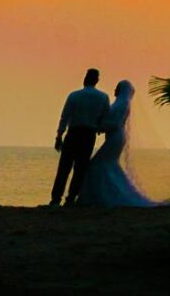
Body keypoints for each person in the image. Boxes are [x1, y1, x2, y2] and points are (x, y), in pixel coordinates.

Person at [75, 79, 161, 207]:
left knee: (97, 165)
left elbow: (116, 123)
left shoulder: (123, 104)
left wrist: (99, 126)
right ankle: (104, 194)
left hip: (116, 137)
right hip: (114, 137)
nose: (115, 90)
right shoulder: (120, 102)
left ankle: (104, 196)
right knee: (108, 165)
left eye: (117, 87)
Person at [51, 68, 110, 206]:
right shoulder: (103, 97)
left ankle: (56, 198)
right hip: (89, 135)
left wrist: (59, 135)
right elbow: (105, 119)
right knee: (80, 168)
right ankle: (71, 198)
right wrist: (99, 128)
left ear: (85, 78)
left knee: (64, 167)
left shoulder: (74, 95)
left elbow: (64, 117)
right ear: (97, 80)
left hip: (73, 133)